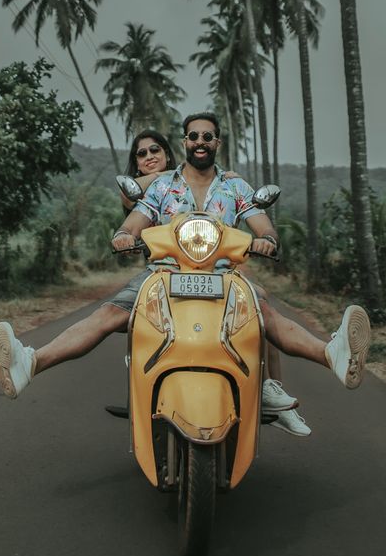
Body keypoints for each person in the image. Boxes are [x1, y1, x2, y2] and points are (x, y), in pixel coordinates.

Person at [0, 112, 371, 420]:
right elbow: (134, 220)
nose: (200, 142)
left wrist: (266, 239)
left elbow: (262, 224)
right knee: (106, 315)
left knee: (265, 314)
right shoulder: (159, 187)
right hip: (164, 274)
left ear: (217, 143)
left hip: (223, 276)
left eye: (208, 137)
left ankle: (332, 355)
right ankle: (30, 363)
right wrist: (123, 236)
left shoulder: (236, 187)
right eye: (194, 136)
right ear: (185, 142)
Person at [115, 126, 310, 437]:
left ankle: (271, 388)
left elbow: (257, 225)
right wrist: (169, 174)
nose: (149, 157)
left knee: (259, 307)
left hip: (217, 270)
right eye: (142, 154)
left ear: (169, 152)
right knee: (125, 316)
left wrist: (225, 181)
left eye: (155, 151)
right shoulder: (148, 188)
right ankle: (138, 383)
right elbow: (131, 205)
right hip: (165, 272)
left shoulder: (216, 183)